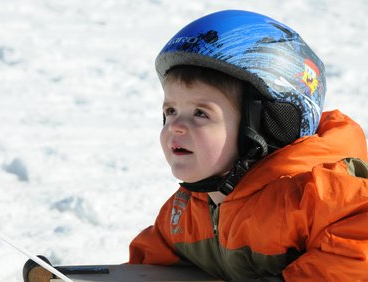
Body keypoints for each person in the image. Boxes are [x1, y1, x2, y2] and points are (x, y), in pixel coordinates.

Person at [128, 10, 368, 281]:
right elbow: (153, 258)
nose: (175, 126)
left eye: (200, 114)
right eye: (171, 111)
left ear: (270, 124)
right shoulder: (187, 211)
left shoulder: (305, 194)